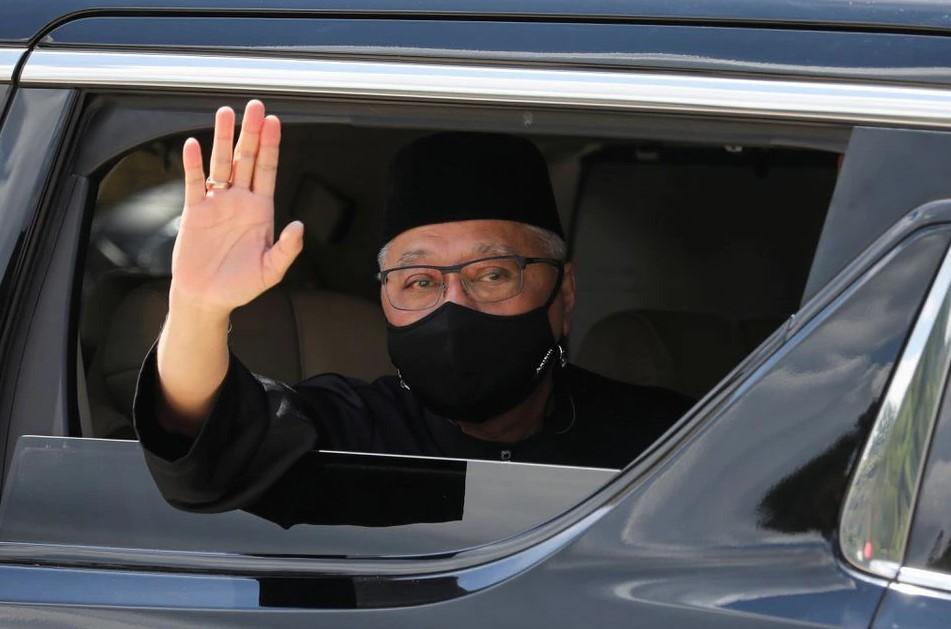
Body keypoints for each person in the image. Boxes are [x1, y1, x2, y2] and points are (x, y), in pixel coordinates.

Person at [133, 100, 692, 513]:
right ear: (385, 298)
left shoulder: (665, 438)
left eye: (493, 273)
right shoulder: (351, 431)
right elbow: (204, 451)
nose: (455, 305)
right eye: (419, 281)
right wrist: (198, 310)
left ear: (563, 294)